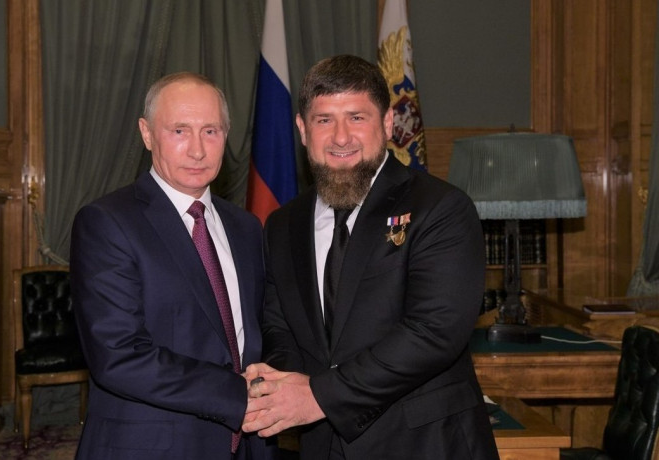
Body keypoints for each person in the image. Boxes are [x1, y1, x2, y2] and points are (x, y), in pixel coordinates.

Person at [242, 55, 499, 459]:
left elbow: (433, 332)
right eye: (324, 120)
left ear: (387, 124)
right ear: (303, 130)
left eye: (357, 118)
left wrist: (318, 396)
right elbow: (279, 326)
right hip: (321, 444)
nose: (341, 137)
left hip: (425, 444)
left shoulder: (440, 208)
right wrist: (280, 385)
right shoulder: (282, 224)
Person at [70, 72, 275, 460]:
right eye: (180, 130)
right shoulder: (107, 222)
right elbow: (118, 356)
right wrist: (238, 395)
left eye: (210, 131)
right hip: (152, 447)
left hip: (249, 443)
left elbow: (256, 334)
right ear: (147, 134)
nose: (197, 150)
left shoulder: (246, 227)